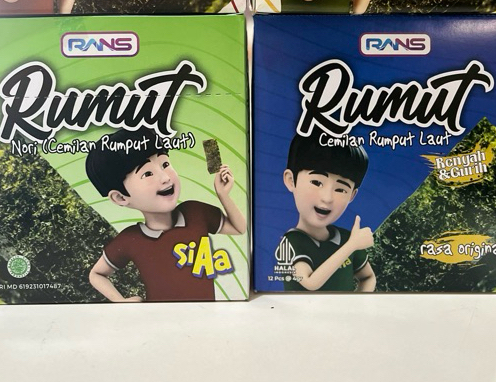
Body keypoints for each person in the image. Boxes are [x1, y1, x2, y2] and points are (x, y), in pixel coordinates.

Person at [86, 128, 246, 302]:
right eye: (147, 173)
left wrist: (223, 195)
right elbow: (96, 274)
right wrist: (122, 302)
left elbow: (239, 228)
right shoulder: (130, 239)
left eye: (165, 164)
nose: (165, 178)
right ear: (120, 197)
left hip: (206, 313)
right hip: (158, 316)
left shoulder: (196, 212)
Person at [278, 132, 376, 292]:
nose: (327, 198)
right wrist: (352, 245)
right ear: (291, 180)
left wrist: (359, 302)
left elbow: (368, 277)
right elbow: (310, 282)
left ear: (352, 195)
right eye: (317, 182)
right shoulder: (291, 242)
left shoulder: (346, 238)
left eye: (340, 189)